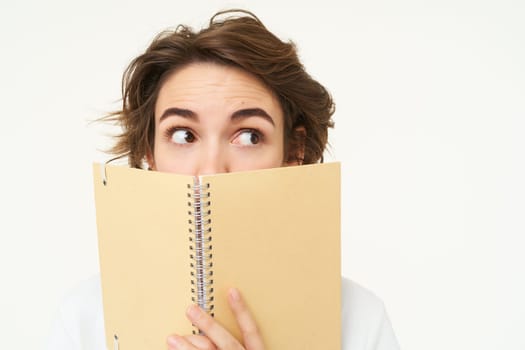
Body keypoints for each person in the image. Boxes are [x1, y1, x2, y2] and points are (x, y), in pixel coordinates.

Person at [46, 9, 400, 350]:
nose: (212, 170)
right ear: (148, 153)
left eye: (249, 135)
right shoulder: (85, 317)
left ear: (293, 153)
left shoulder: (360, 320)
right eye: (184, 134)